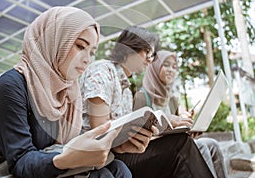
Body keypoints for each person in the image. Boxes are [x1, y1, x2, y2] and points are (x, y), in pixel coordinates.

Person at [0, 7, 132, 178]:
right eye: (80, 46)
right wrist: (64, 160)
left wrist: (117, 145)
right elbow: (20, 161)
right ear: (54, 40)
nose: (87, 59)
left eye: (92, 52)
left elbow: (67, 146)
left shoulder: (67, 94)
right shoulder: (11, 86)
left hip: (38, 163)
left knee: (118, 168)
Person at [80, 26, 214, 178]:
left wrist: (169, 127)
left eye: (152, 55)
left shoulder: (126, 90)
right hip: (104, 158)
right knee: (180, 144)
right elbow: (100, 130)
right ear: (130, 48)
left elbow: (129, 135)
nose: (150, 60)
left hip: (120, 153)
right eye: (147, 52)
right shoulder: (102, 70)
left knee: (185, 142)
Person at [133, 50, 228, 178]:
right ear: (154, 68)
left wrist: (187, 129)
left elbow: (177, 134)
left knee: (212, 144)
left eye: (174, 67)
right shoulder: (142, 97)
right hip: (151, 152)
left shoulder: (172, 100)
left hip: (175, 146)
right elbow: (136, 137)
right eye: (166, 65)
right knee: (202, 148)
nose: (171, 70)